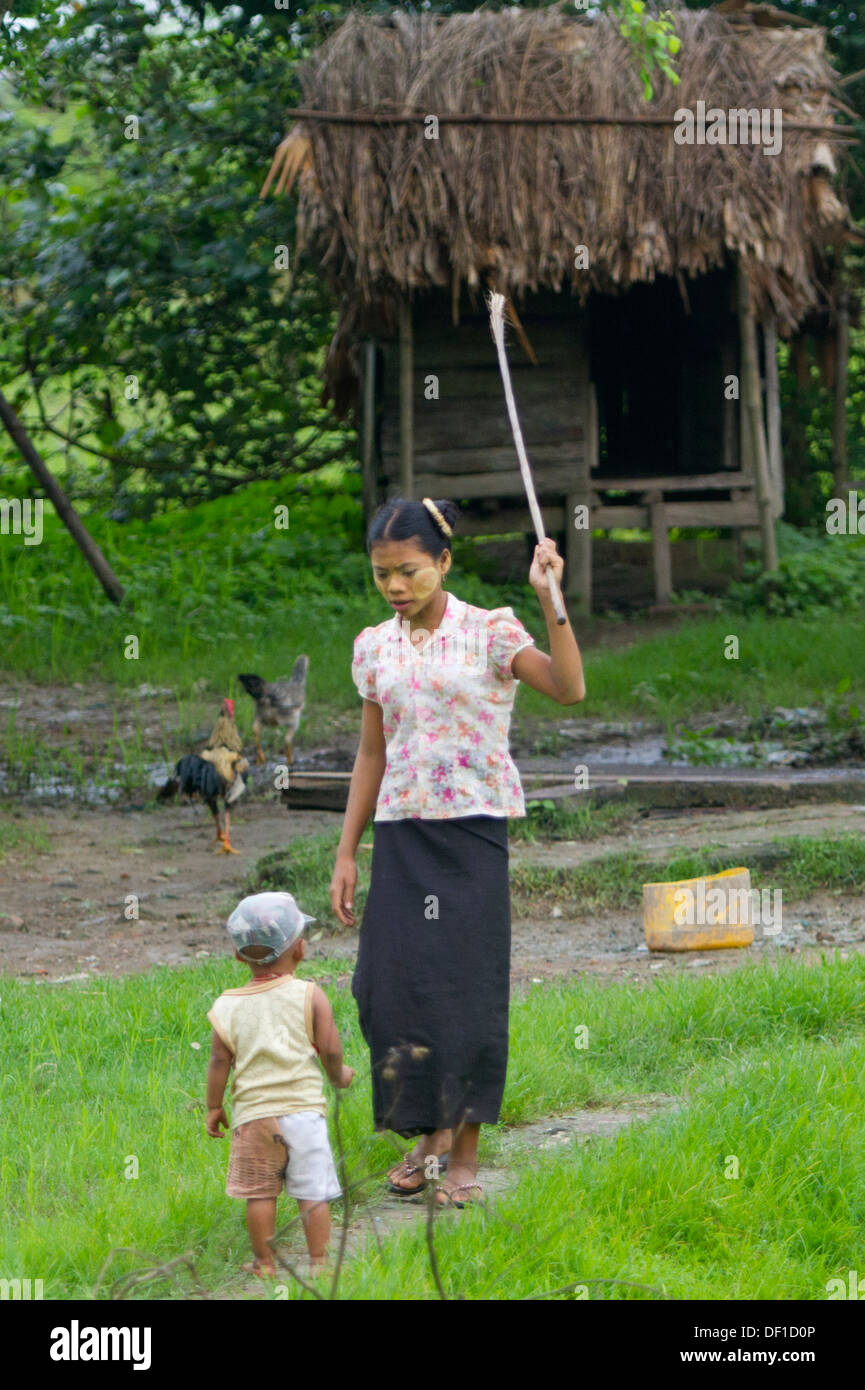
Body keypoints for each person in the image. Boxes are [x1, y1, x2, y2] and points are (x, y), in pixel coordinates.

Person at [330, 496, 585, 1208]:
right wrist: (347, 851)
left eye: (408, 571)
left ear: (442, 561)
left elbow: (569, 688)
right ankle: (428, 1130)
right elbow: (371, 752)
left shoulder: (490, 632)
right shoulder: (372, 646)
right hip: (401, 835)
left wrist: (550, 598)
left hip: (471, 833)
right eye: (382, 575)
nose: (395, 587)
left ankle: (462, 1157)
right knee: (385, 990)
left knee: (464, 995)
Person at [205, 891, 354, 1277]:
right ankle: (320, 1262)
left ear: (239, 956)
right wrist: (340, 1077)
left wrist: (213, 1106)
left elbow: (220, 1061)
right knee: (312, 1193)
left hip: (254, 1119)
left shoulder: (227, 1005)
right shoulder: (310, 995)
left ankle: (264, 1262)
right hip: (304, 1115)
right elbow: (331, 1051)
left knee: (260, 1193)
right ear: (301, 948)